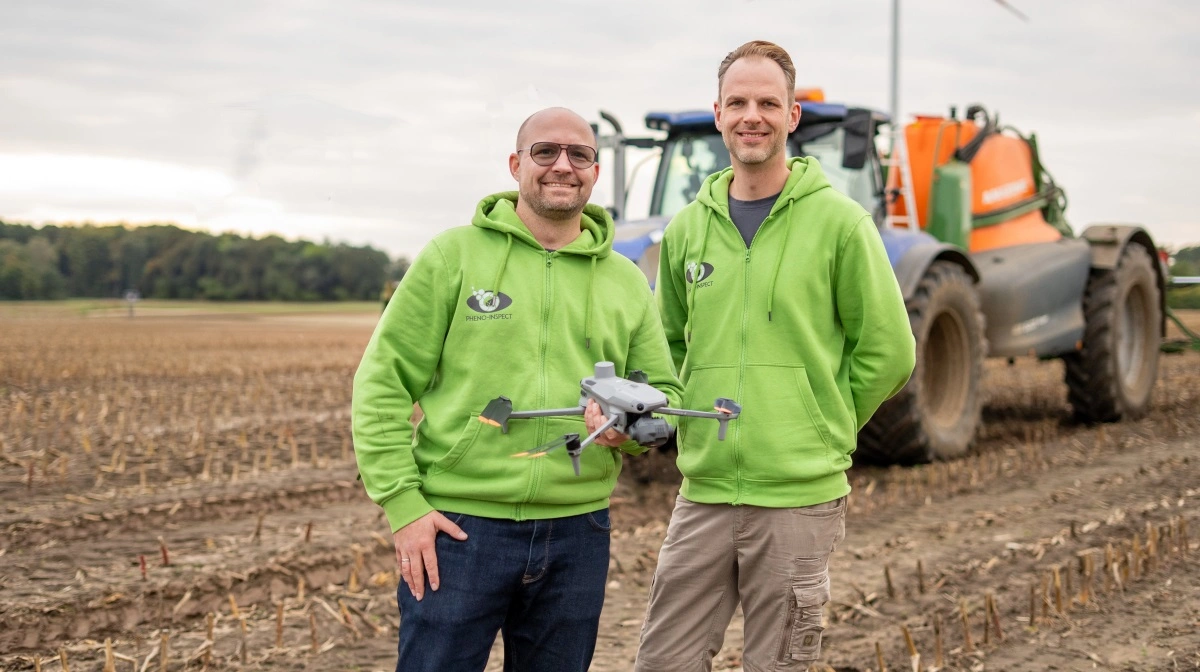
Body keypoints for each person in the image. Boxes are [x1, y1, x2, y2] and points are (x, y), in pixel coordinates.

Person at [352, 106, 682, 672]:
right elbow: (382, 382)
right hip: (459, 529)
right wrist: (404, 506)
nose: (563, 166)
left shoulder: (626, 280)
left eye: (580, 155)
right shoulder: (452, 257)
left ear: (596, 172)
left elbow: (663, 392)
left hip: (579, 531)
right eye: (546, 152)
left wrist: (624, 435)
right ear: (515, 164)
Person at [634, 41, 916, 672]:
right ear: (717, 114)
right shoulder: (686, 230)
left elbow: (890, 350)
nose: (751, 115)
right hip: (703, 494)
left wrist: (823, 421)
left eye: (767, 102)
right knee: (663, 662)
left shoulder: (841, 224)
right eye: (738, 102)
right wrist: (676, 420)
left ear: (791, 117)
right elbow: (668, 344)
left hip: (797, 497)